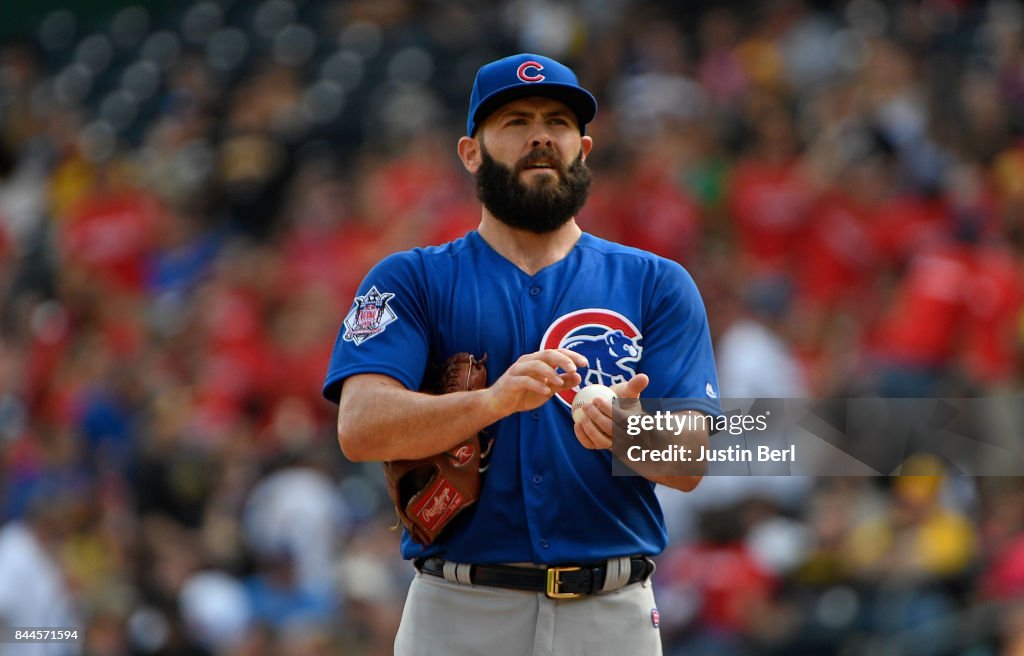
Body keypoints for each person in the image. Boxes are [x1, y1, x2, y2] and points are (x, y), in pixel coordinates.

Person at [323, 53, 723, 656]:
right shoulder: (411, 279)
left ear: (583, 148)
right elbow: (360, 426)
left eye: (558, 121)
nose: (541, 135)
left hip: (611, 613)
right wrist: (490, 403)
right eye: (514, 121)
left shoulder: (656, 283)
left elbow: (693, 459)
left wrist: (628, 433)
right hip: (458, 610)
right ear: (471, 152)